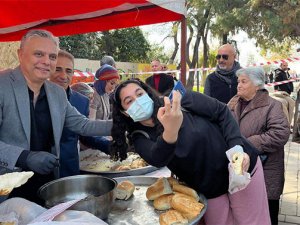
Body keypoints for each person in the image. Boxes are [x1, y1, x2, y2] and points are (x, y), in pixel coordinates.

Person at [110, 79, 270, 225]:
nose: (137, 101)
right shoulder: (140, 137)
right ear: (125, 112)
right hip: (209, 189)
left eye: (139, 94)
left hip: (242, 169)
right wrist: (170, 131)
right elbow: (158, 158)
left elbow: (221, 112)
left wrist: (237, 148)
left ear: (148, 93)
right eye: (129, 101)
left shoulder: (178, 99)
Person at [0, 29, 112, 204]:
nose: (46, 62)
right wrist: (25, 157)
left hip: (47, 187)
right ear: (20, 54)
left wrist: (122, 123)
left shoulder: (57, 93)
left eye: (52, 57)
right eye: (39, 54)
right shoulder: (2, 85)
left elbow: (82, 125)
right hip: (7, 191)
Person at [227, 67, 290, 225]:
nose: (238, 85)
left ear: (257, 85)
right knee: (245, 213)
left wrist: (246, 144)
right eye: (238, 81)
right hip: (241, 169)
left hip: (266, 171)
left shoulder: (272, 105)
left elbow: (280, 133)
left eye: (243, 81)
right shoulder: (234, 103)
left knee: (267, 215)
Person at [49, 50, 111, 177]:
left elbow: (85, 132)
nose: (63, 75)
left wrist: (109, 146)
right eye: (58, 69)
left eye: (68, 71)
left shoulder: (81, 101)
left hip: (69, 171)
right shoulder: (35, 98)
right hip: (39, 173)